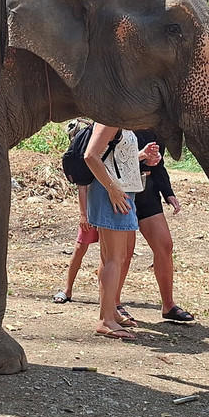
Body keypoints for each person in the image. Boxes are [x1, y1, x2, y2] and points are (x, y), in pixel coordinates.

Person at [83, 124, 160, 340]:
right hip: (113, 194)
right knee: (114, 258)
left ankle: (111, 312)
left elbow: (114, 159)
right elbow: (90, 156)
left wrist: (141, 155)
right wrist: (112, 188)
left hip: (121, 192)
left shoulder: (121, 121)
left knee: (115, 256)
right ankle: (105, 320)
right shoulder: (109, 119)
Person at [121, 129, 193, 322]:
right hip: (121, 194)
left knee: (165, 245)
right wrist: (140, 157)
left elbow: (158, 165)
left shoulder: (155, 126)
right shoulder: (117, 123)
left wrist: (168, 193)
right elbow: (107, 160)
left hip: (147, 192)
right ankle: (113, 304)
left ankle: (168, 305)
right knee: (123, 252)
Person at [52, 185, 97, 304]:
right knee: (79, 248)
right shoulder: (91, 166)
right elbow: (82, 187)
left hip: (109, 210)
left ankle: (108, 296)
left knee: (108, 253)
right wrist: (83, 215)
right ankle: (67, 290)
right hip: (90, 211)